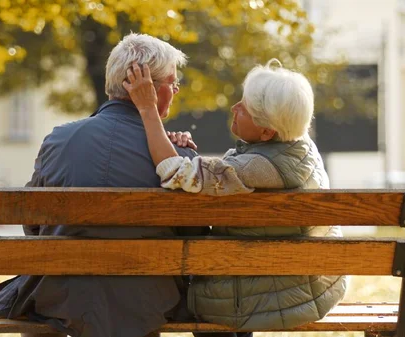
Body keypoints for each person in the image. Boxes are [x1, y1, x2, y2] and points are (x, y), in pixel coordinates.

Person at [0, 33, 203, 337]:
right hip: (148, 302)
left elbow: (33, 225)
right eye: (172, 84)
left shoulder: (58, 140)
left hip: (62, 297)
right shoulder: (177, 161)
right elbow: (193, 237)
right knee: (133, 299)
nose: (174, 92)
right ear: (151, 88)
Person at [123, 59, 349, 330]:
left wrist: (148, 109)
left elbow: (175, 174)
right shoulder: (300, 147)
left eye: (245, 108)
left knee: (181, 297)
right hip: (309, 284)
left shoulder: (260, 167)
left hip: (276, 296)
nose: (235, 108)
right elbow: (226, 173)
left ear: (267, 131)